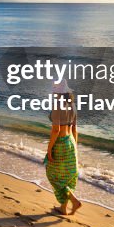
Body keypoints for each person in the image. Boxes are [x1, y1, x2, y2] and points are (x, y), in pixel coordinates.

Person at [45, 83, 82, 216]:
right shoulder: (72, 105)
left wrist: (49, 150)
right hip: (71, 142)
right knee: (65, 176)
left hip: (60, 144)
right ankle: (63, 208)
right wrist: (75, 148)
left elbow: (56, 130)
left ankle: (74, 201)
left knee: (53, 175)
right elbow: (74, 129)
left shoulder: (57, 105)